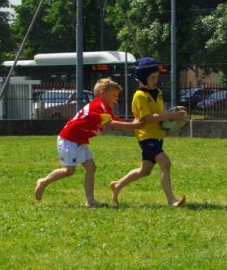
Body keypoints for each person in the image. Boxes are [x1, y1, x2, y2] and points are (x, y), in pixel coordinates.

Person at [34, 78, 144, 207]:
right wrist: (134, 125)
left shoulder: (104, 108)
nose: (116, 99)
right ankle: (43, 182)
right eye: (114, 95)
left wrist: (133, 124)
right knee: (69, 171)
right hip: (69, 139)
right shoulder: (98, 106)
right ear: (103, 93)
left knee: (91, 167)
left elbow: (116, 121)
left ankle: (90, 201)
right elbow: (112, 124)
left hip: (79, 141)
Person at [110, 57, 187, 207]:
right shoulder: (140, 96)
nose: (155, 80)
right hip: (146, 137)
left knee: (144, 171)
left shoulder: (157, 92)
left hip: (157, 136)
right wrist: (171, 115)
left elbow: (159, 114)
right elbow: (147, 118)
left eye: (157, 77)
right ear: (143, 78)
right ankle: (172, 200)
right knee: (165, 163)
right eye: (152, 77)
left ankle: (117, 185)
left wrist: (170, 122)